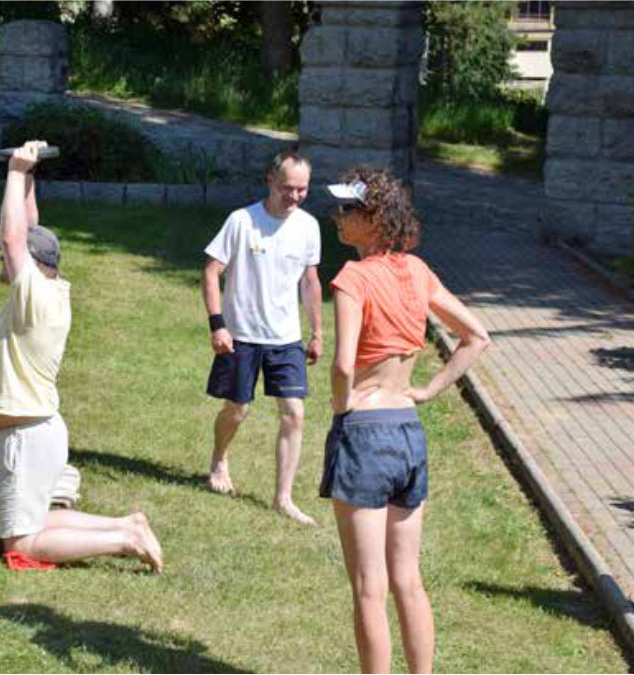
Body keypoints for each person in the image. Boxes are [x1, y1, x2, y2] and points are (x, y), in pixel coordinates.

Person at [322, 167, 490, 674]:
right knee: (408, 580)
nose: (338, 216)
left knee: (369, 590)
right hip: (407, 433)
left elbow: (344, 364)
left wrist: (340, 406)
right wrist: (427, 390)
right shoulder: (418, 271)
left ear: (373, 219)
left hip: (365, 434)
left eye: (348, 209)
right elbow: (476, 336)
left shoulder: (353, 278)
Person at [0, 140, 163, 573]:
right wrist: (30, 176)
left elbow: (14, 236)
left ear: (32, 265)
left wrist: (17, 171)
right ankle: (127, 523)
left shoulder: (34, 296)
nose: (2, 257)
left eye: (8, 257)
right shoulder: (48, 289)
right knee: (36, 523)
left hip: (26, 437)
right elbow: (28, 231)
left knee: (21, 544)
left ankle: (125, 539)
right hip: (33, 431)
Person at [201, 149, 324, 526]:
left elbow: (310, 281)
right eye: (288, 188)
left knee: (294, 413)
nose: (295, 196)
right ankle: (219, 460)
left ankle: (282, 498)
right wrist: (218, 325)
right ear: (270, 181)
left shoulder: (308, 226)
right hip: (241, 335)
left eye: (302, 189)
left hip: (286, 338)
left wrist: (317, 332)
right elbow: (211, 273)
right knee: (237, 409)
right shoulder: (242, 221)